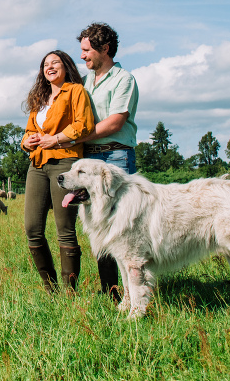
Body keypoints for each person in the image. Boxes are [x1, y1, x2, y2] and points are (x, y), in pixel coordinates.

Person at [21, 50, 95, 294]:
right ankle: (50, 289)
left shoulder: (75, 91)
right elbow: (29, 130)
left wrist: (57, 139)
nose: (49, 67)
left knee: (65, 230)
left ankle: (70, 292)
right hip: (37, 165)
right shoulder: (40, 99)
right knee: (32, 229)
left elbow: (83, 125)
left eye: (55, 63)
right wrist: (27, 142)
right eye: (45, 64)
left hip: (65, 161)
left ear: (66, 67)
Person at [76, 22, 139, 302]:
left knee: (122, 222)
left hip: (116, 155)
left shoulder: (123, 79)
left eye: (87, 50)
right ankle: (110, 289)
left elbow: (115, 121)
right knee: (97, 221)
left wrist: (76, 136)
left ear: (105, 48)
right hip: (90, 157)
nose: (82, 56)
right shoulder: (85, 82)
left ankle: (132, 292)